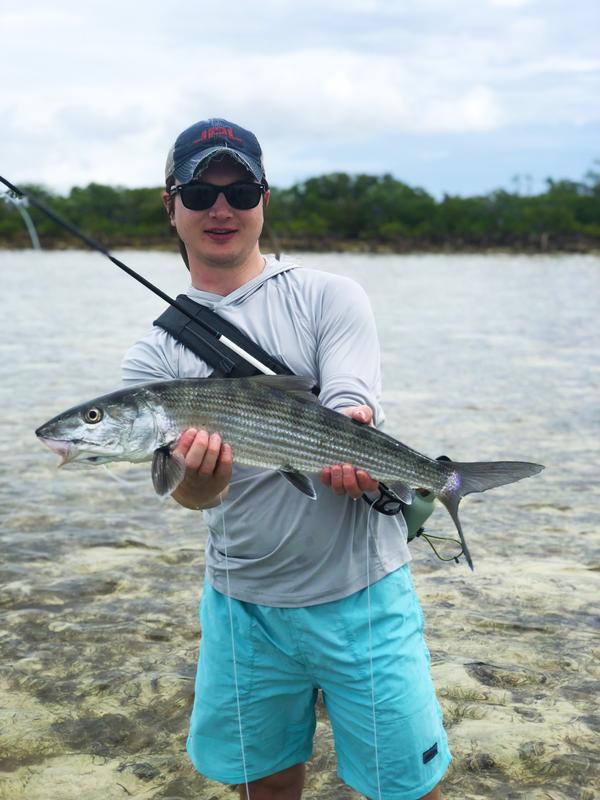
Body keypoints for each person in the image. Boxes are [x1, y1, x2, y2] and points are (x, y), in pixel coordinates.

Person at [122, 117, 451, 800]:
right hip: (242, 604)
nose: (222, 209)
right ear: (170, 203)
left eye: (242, 192)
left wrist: (354, 427)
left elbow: (353, 399)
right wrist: (199, 485)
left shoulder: (330, 295)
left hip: (362, 594)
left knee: (408, 789)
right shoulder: (152, 358)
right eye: (201, 192)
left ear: (263, 200)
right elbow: (187, 497)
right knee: (261, 787)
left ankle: (454, 486)